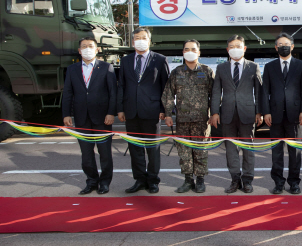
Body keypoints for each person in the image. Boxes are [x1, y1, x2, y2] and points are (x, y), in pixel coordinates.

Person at [117, 27, 170, 194]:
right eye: (137, 38)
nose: (140, 40)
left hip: (152, 110)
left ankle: (153, 180)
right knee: (135, 148)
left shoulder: (160, 59)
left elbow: (165, 87)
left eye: (143, 37)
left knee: (152, 148)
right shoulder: (125, 60)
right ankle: (139, 179)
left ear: (149, 40)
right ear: (133, 41)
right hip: (131, 111)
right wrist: (120, 108)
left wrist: (164, 109)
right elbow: (122, 86)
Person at [62, 37, 117, 195]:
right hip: (81, 117)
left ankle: (105, 182)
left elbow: (113, 93)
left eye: (90, 46)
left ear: (97, 49)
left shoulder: (107, 67)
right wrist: (66, 114)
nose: (87, 49)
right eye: (84, 46)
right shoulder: (72, 69)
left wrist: (110, 113)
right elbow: (67, 93)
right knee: (86, 154)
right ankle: (91, 181)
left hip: (102, 118)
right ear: (79, 51)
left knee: (105, 153)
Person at [210, 35, 263, 194]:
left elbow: (259, 92)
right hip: (226, 113)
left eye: (238, 46)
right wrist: (214, 112)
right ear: (227, 50)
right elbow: (216, 92)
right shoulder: (221, 68)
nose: (235, 49)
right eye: (231, 46)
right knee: (230, 149)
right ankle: (235, 179)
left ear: (244, 48)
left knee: (248, 148)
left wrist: (259, 112)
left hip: (247, 113)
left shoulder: (253, 67)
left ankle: (247, 180)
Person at [162, 39, 214, 193]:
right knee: (184, 151)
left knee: (201, 151)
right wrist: (168, 114)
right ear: (183, 52)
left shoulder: (207, 71)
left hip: (202, 121)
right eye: (186, 49)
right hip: (182, 120)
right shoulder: (177, 72)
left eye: (193, 49)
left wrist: (213, 114)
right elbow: (168, 94)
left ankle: (200, 180)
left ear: (199, 52)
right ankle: (187, 180)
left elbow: (216, 95)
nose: (189, 51)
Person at [262, 32, 302, 195]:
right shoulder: (269, 67)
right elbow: (265, 91)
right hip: (274, 116)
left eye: (287, 44)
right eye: (280, 44)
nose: (284, 47)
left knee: (294, 152)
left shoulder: (301, 65)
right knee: (276, 152)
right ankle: (278, 182)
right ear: (276, 47)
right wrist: (266, 112)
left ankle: (294, 182)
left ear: (292, 46)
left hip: (295, 115)